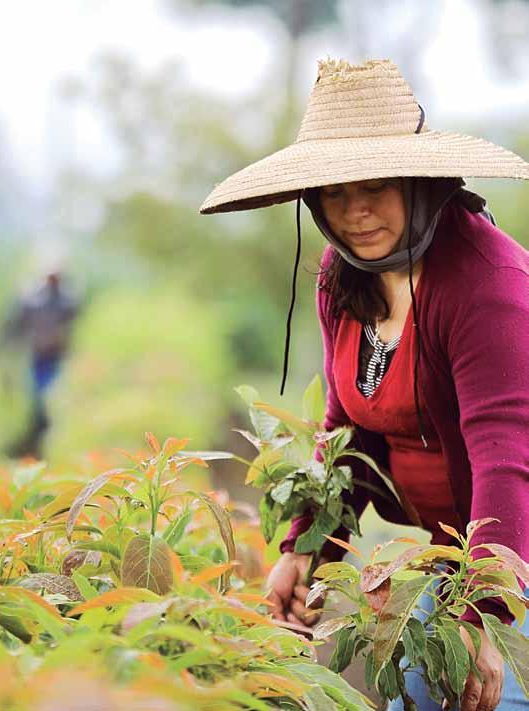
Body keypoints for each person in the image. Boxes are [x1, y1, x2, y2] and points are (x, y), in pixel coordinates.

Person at [200, 59, 529, 711]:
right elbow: (349, 431)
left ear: (419, 182)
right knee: (415, 694)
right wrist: (308, 549)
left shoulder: (485, 285)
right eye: (333, 192)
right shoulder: (345, 275)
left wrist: (486, 617)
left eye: (376, 185)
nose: (355, 211)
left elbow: (506, 461)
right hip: (456, 556)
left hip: (513, 556)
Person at [1, 267, 79, 457]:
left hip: (57, 358)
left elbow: (73, 323)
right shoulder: (34, 301)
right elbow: (18, 326)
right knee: (38, 400)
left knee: (53, 399)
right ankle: (34, 441)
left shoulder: (66, 302)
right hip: (39, 358)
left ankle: (47, 440)